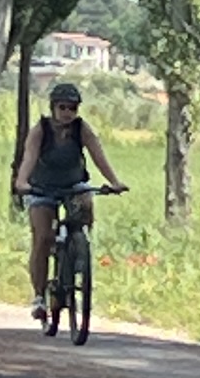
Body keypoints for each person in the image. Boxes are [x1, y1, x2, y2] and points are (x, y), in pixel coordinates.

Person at [10, 78, 123, 330]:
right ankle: (40, 296)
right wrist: (22, 181)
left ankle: (77, 252)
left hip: (73, 185)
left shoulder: (82, 129)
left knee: (85, 207)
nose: (67, 113)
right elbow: (29, 157)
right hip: (42, 187)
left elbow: (98, 155)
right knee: (42, 238)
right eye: (63, 107)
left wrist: (114, 182)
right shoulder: (41, 130)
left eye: (72, 108)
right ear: (53, 107)